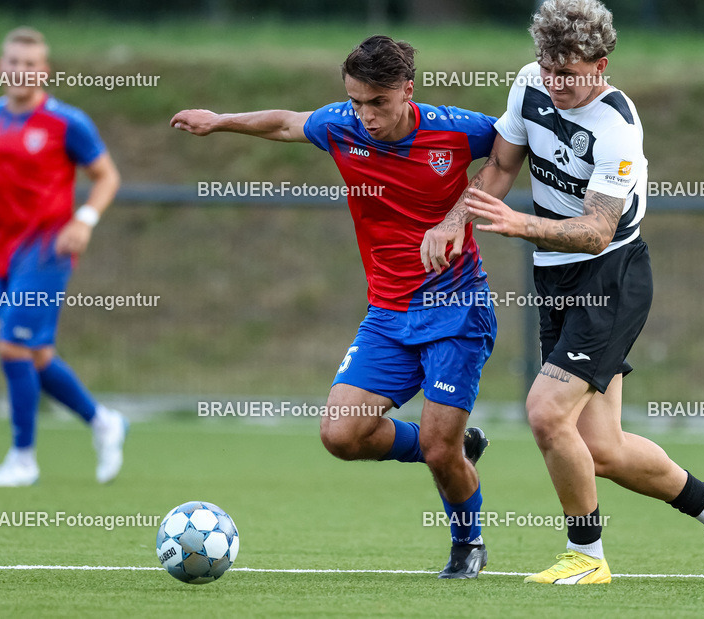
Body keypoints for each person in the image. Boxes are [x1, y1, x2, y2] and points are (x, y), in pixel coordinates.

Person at [422, 0, 704, 584]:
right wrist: (454, 220)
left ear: (601, 65)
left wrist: (521, 224)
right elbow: (501, 165)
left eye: (569, 74)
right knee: (601, 449)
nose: (555, 84)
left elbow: (598, 231)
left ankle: (588, 557)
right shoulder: (530, 84)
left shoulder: (616, 127)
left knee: (546, 414)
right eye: (548, 69)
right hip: (555, 275)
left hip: (611, 277)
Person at [171, 35, 498, 579]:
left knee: (442, 456)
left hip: (456, 310)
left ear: (407, 91)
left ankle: (468, 541)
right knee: (341, 435)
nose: (365, 116)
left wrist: (458, 216)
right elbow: (285, 123)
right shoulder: (341, 126)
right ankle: (453, 446)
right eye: (355, 101)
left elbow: (511, 150)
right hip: (388, 314)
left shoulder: (459, 128)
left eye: (378, 103)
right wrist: (219, 119)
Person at [0, 27, 127, 486]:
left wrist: (84, 219)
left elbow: (107, 177)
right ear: (1, 66)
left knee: (12, 344)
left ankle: (22, 458)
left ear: (44, 71)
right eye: (13, 61)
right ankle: (102, 420)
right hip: (5, 251)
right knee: (36, 354)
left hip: (49, 247)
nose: (21, 70)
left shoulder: (66, 121)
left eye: (30, 64)